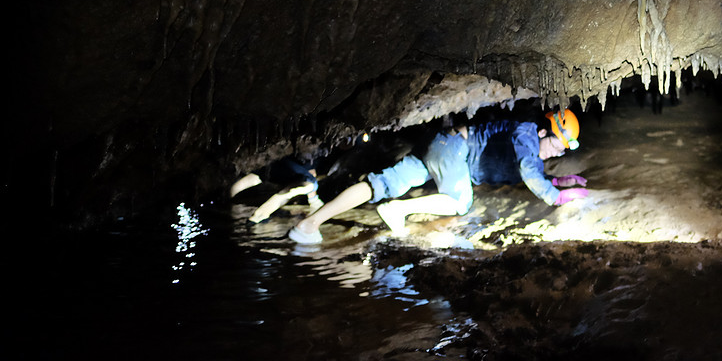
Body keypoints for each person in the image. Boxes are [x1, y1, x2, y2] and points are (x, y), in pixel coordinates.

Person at [288, 109, 589, 243]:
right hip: (453, 149)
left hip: (442, 146)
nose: (556, 153)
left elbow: (527, 170)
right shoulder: (526, 131)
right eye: (556, 145)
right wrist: (555, 196)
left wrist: (557, 182)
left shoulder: (530, 145)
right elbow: (527, 167)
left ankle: (309, 224)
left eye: (562, 152)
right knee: (460, 202)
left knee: (379, 183)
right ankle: (398, 209)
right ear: (543, 131)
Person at [231, 156, 323, 223]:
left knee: (243, 185)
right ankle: (259, 216)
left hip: (270, 168)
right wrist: (313, 200)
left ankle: (231, 196)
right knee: (311, 185)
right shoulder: (311, 158)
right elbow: (311, 172)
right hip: (281, 171)